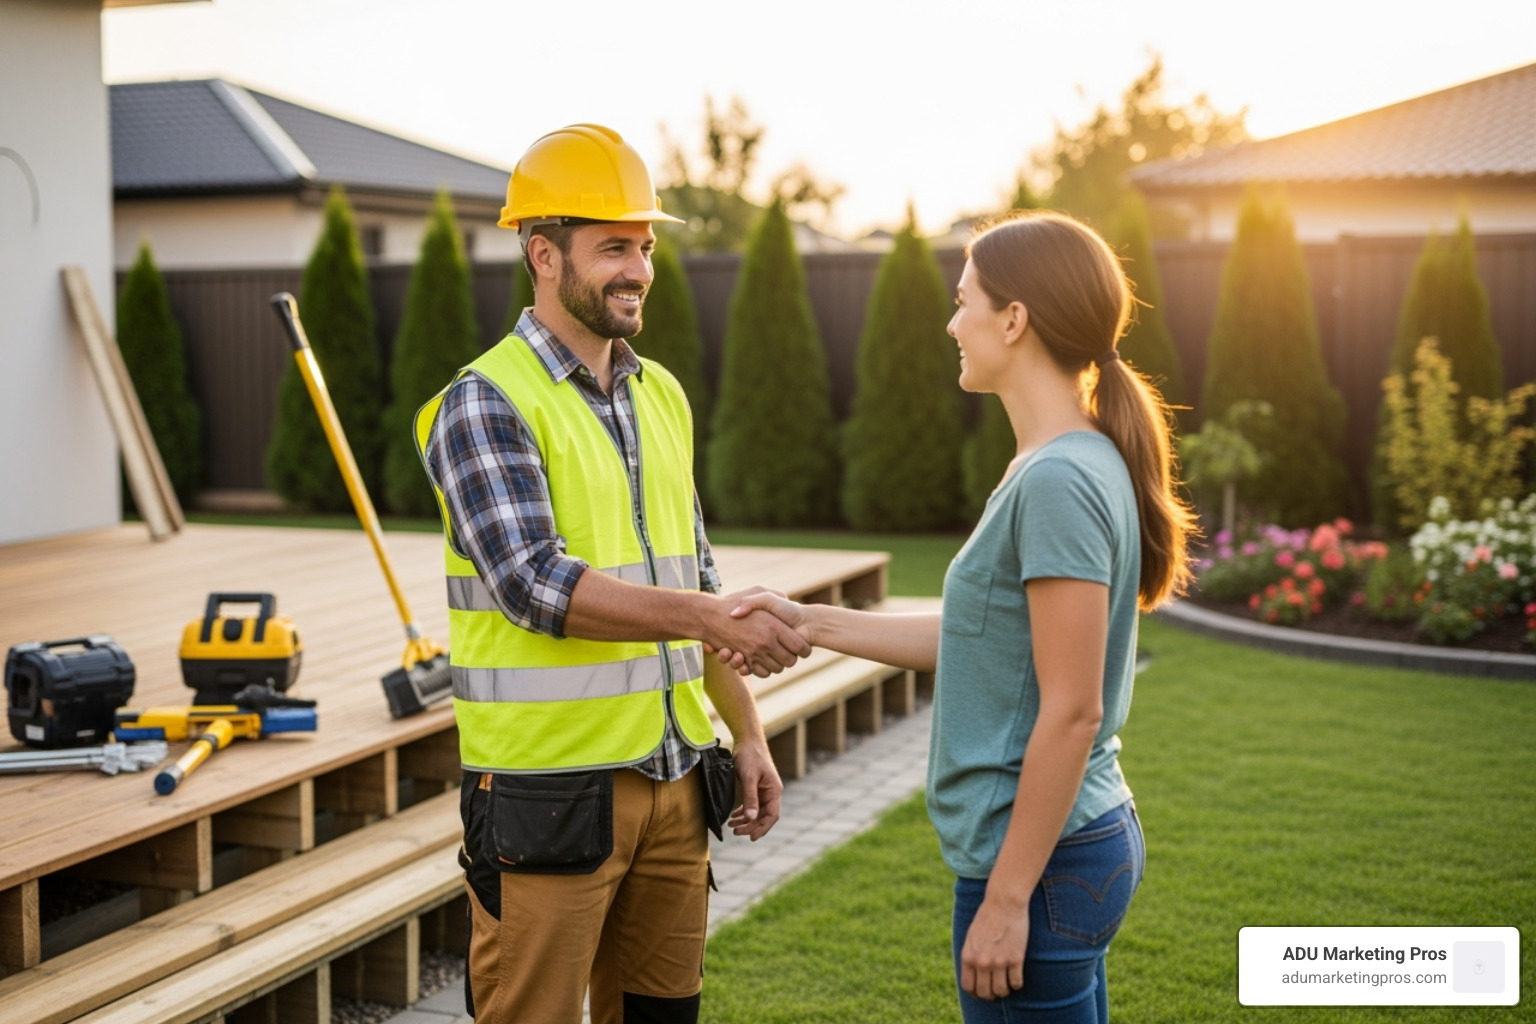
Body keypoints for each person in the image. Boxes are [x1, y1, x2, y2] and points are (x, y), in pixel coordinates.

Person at [727, 211, 1196, 1023]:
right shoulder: (1059, 462)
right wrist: (808, 621)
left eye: (964, 301)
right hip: (1070, 850)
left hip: (1041, 866)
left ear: (1014, 320)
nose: (952, 322)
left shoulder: (1058, 480)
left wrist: (1009, 899)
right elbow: (986, 643)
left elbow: (1074, 708)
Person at [412, 123, 809, 1024]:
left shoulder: (658, 393)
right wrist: (712, 621)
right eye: (613, 249)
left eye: (645, 246)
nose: (637, 269)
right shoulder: (484, 401)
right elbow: (534, 583)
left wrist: (746, 734)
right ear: (542, 254)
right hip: (549, 801)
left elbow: (698, 582)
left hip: (676, 783)